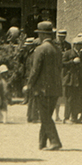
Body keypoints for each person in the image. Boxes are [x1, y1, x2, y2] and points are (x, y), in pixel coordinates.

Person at [24, 21, 63, 151]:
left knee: (44, 116)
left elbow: (35, 70)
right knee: (47, 115)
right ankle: (42, 143)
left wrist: (29, 85)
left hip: (42, 89)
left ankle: (55, 141)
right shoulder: (57, 50)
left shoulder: (40, 49)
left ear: (41, 34)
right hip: (55, 88)